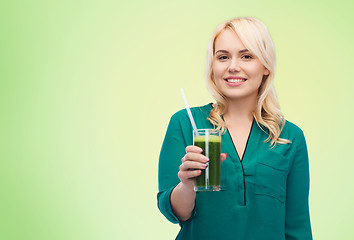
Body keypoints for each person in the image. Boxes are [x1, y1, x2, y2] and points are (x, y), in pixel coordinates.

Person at [157, 17, 312, 240]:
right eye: (223, 57)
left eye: (246, 56)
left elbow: (297, 227)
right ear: (213, 67)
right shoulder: (185, 123)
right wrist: (187, 184)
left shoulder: (289, 137)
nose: (233, 67)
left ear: (266, 66)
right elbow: (174, 213)